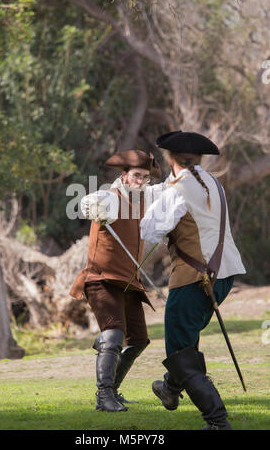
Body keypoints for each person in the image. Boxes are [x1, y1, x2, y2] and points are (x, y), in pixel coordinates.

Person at [140, 131, 246, 430]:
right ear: (198, 159)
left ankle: (217, 421)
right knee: (185, 342)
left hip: (193, 278)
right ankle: (171, 389)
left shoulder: (178, 190)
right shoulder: (213, 182)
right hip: (224, 274)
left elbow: (148, 231)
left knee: (178, 350)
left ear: (169, 158)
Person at [70, 149, 169, 412]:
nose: (140, 182)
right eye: (136, 176)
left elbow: (165, 190)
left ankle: (112, 389)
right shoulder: (109, 197)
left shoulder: (142, 199)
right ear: (124, 175)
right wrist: (91, 207)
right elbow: (89, 200)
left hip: (128, 283)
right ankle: (104, 397)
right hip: (101, 280)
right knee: (114, 334)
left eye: (145, 178)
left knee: (138, 339)